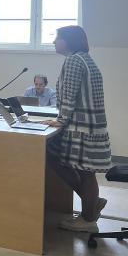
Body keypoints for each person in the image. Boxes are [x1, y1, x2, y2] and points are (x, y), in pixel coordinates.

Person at [42, 26, 111, 233]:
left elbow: (69, 94)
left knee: (77, 168)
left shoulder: (73, 60)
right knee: (84, 170)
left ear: (68, 40)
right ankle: (91, 206)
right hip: (91, 125)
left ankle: (88, 219)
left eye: (58, 38)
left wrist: (61, 120)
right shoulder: (85, 59)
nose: (54, 41)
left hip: (82, 126)